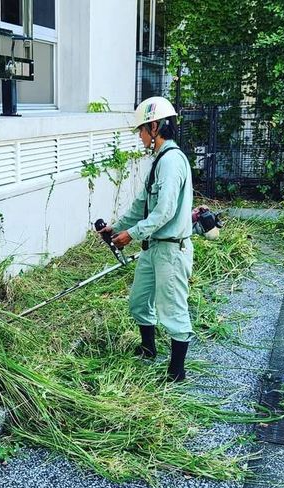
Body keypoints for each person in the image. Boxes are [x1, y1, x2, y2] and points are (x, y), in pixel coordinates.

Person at [98, 96, 194, 382]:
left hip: (171, 250)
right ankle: (148, 349)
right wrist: (116, 228)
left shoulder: (172, 161)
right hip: (153, 249)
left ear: (155, 127)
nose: (139, 136)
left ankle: (177, 372)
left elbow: (164, 211)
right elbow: (143, 203)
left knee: (173, 310)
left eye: (141, 129)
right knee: (139, 302)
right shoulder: (159, 161)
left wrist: (132, 234)